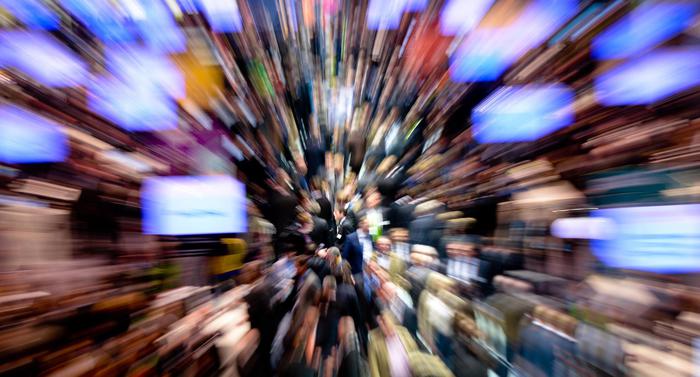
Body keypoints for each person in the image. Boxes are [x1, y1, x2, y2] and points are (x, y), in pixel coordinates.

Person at [342, 217, 373, 283]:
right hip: (356, 274)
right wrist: (348, 275)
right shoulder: (351, 238)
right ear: (360, 224)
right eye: (367, 224)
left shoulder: (371, 237)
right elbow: (344, 258)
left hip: (370, 273)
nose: (370, 226)